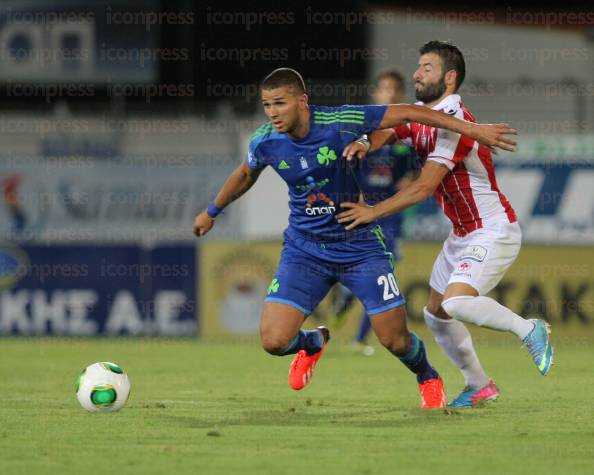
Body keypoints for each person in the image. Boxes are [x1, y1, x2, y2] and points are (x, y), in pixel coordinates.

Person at [193, 67, 517, 409]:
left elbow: (410, 111)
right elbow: (245, 173)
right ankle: (313, 342)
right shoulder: (266, 141)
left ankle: (427, 375)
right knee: (273, 340)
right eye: (266, 105)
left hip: (359, 247)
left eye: (280, 103)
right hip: (305, 251)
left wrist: (472, 129)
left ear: (302, 102)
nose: (272, 112)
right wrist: (212, 211)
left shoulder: (342, 120)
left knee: (394, 340)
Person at [338, 41, 553, 408]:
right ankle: (479, 384)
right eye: (418, 66)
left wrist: (373, 212)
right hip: (463, 234)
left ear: (449, 78)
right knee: (435, 314)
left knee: (455, 304)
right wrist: (364, 142)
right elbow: (389, 132)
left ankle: (530, 329)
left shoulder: (455, 120)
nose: (416, 74)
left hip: (493, 229)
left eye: (426, 67)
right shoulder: (424, 113)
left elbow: (423, 187)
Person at [331, 70, 420, 356]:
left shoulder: (406, 132)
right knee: (357, 267)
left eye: (395, 90)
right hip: (359, 208)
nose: (390, 95)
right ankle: (345, 295)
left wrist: (412, 179)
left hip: (390, 213)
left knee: (384, 273)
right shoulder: (361, 129)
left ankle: (359, 339)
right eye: (384, 89)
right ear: (376, 94)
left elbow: (421, 170)